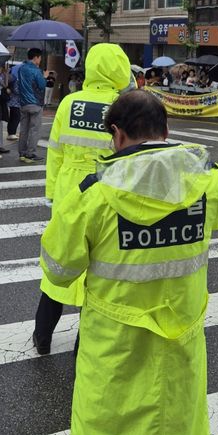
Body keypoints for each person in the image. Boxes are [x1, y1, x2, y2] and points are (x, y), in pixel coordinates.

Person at [39, 89, 218, 435]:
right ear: (167, 131)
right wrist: (196, 161)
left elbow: (59, 268)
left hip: (115, 346)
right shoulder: (204, 183)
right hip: (182, 339)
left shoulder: (94, 194)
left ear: (116, 135)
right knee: (178, 431)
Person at [33, 43, 131, 355]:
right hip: (106, 188)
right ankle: (82, 344)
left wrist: (51, 193)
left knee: (61, 258)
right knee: (99, 266)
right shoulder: (124, 106)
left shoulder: (69, 103)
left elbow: (55, 151)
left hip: (69, 187)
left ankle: (43, 336)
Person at [18, 48, 48, 163]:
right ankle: (30, 153)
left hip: (23, 103)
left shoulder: (22, 68)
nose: (40, 60)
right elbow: (41, 86)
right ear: (36, 57)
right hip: (35, 103)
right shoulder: (36, 70)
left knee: (23, 129)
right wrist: (44, 76)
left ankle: (22, 153)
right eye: (40, 58)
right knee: (34, 130)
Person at [6, 62, 21, 141]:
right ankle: (11, 133)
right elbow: (16, 90)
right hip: (15, 102)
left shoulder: (11, 77)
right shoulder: (15, 79)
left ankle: (11, 133)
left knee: (13, 117)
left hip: (13, 101)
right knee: (16, 117)